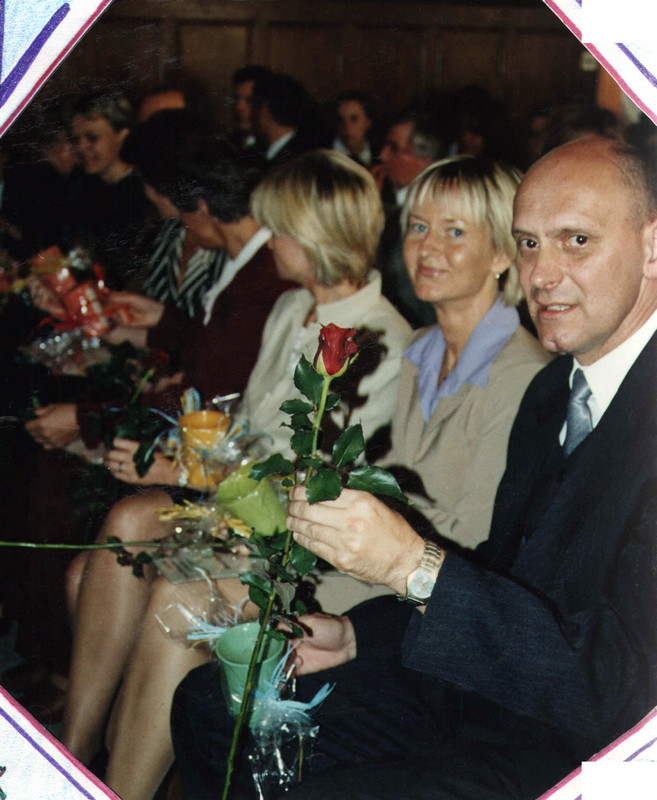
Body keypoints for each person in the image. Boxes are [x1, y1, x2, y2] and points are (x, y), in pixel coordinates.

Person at [172, 136, 657, 799]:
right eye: (528, 243)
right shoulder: (556, 389)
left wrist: (412, 565)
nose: (541, 274)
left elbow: (619, 690)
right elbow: (505, 570)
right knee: (208, 705)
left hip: (576, 755)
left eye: (576, 241)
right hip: (479, 691)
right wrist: (358, 634)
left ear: (651, 246)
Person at [59, 150, 410, 800]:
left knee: (158, 588)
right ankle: (73, 755)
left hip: (299, 541)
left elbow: (317, 489)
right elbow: (247, 431)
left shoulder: (382, 340)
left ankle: (117, 781)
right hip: (244, 509)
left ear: (313, 236)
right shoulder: (290, 309)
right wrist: (195, 453)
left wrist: (200, 471)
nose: (268, 240)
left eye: (279, 228)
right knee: (125, 522)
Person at [376, 156, 550, 548]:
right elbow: (398, 472)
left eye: (454, 232)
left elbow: (477, 538)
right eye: (418, 227)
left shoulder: (524, 376)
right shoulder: (418, 348)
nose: (427, 247)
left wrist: (373, 510)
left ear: (501, 254)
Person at [65, 89, 151, 289]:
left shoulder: (142, 194)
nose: (82, 147)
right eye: (76, 140)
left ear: (121, 135)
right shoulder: (83, 186)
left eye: (92, 138)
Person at [375, 112, 445, 328]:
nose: (382, 155)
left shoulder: (438, 211)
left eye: (394, 148)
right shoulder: (381, 195)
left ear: (424, 159)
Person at [332, 91, 375, 165]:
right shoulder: (323, 155)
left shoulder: (379, 154)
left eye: (354, 119)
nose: (347, 127)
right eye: (340, 120)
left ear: (368, 122)